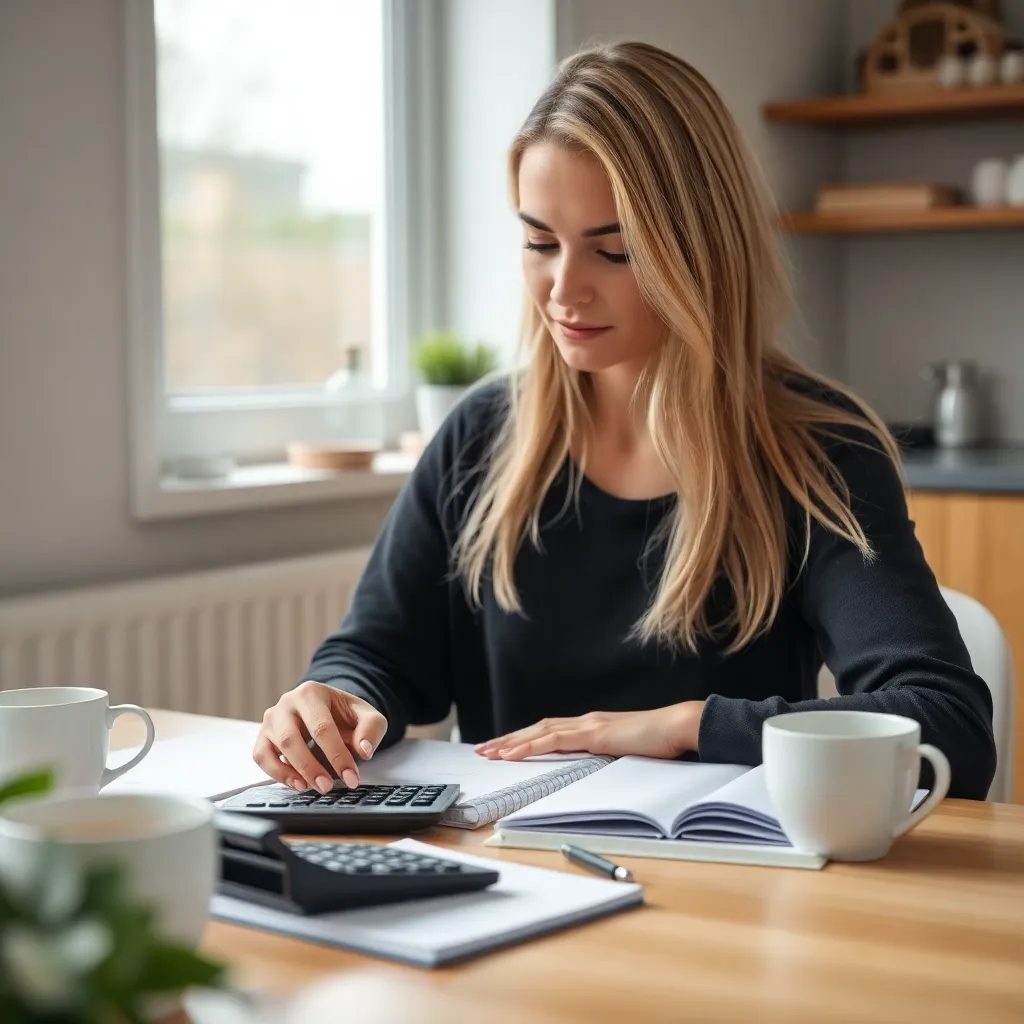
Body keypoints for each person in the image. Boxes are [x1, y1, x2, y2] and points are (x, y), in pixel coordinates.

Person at [254, 41, 996, 801]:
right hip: (503, 862)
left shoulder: (818, 450)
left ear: (699, 249)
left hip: (715, 864)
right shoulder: (480, 436)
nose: (563, 290)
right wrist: (333, 702)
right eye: (540, 242)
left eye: (615, 251)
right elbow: (376, 657)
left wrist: (688, 726)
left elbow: (950, 728)